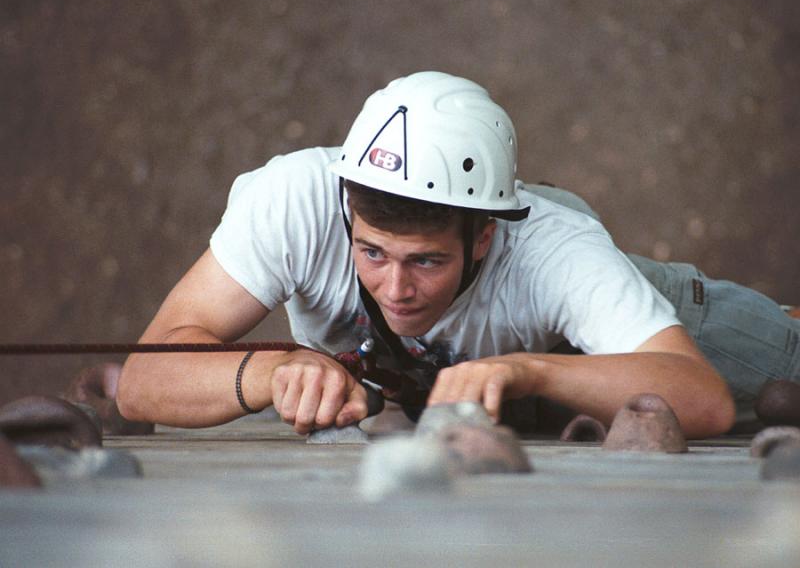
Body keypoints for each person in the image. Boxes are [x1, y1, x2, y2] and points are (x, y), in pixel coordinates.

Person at [117, 72, 798, 439]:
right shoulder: (291, 201)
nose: (394, 289)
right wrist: (268, 369)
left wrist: (522, 369)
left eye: (426, 262)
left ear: (484, 238)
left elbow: (701, 398)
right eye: (372, 253)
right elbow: (143, 382)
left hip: (658, 331)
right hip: (532, 398)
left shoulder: (554, 249)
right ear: (349, 209)